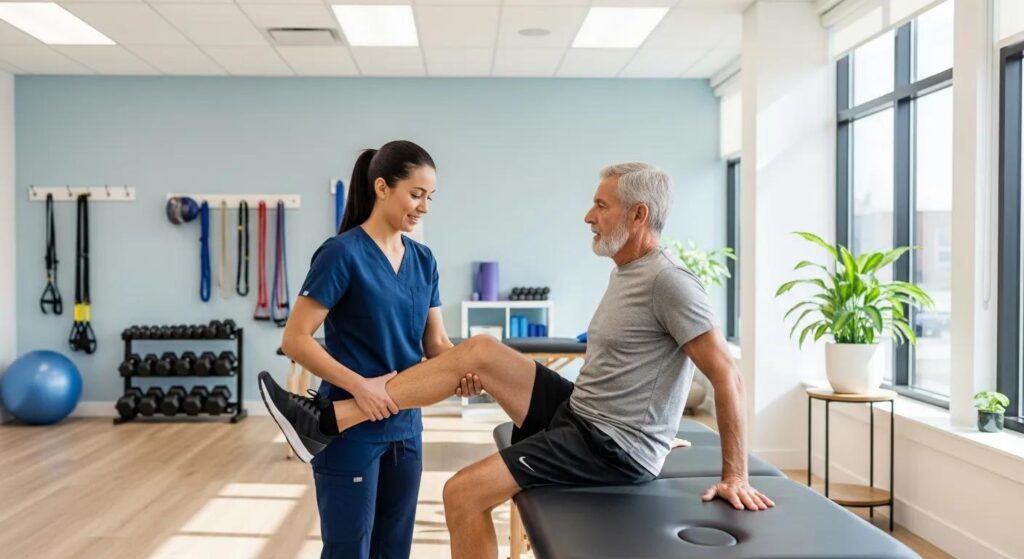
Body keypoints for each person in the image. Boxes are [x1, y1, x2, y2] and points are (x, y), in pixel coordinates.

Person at [261, 162, 773, 559]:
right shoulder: (627, 270)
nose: (588, 216)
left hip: (605, 444)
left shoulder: (669, 281)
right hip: (585, 412)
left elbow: (726, 373)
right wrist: (659, 428)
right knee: (481, 349)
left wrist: (734, 474)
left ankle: (330, 418)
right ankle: (330, 419)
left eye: (601, 205)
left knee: (462, 493)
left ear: (639, 216)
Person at [268, 140, 481, 559]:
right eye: (416, 194)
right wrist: (360, 387)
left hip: (406, 429)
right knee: (350, 550)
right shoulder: (341, 254)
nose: (424, 207)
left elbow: (435, 343)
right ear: (382, 187)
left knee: (394, 549)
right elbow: (294, 339)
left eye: (430, 197)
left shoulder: (424, 260)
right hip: (351, 429)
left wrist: (465, 368)